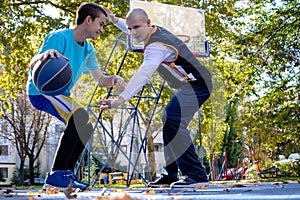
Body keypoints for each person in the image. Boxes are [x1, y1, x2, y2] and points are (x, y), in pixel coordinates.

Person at [99, 8, 213, 188]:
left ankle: (196, 174)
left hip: (199, 84)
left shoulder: (156, 46)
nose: (133, 33)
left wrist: (120, 99)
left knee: (172, 119)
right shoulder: (153, 32)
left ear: (148, 23)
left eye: (136, 27)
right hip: (188, 85)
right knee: (169, 121)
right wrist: (114, 20)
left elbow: (143, 75)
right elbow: (131, 25)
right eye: (130, 29)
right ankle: (170, 174)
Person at [26, 2, 125, 190]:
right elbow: (32, 64)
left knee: (86, 125)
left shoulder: (88, 50)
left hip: (60, 94)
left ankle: (65, 174)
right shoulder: (58, 37)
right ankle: (57, 174)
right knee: (80, 116)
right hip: (42, 91)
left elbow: (100, 79)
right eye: (101, 24)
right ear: (88, 20)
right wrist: (43, 55)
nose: (102, 30)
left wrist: (114, 79)